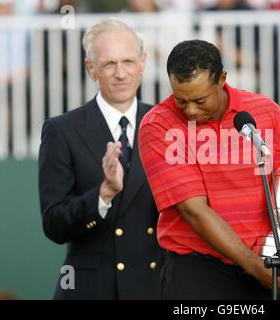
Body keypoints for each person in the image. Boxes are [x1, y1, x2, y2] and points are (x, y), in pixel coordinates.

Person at [138, 39, 280, 299]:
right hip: (199, 275)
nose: (191, 110)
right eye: (181, 100)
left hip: (267, 268)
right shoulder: (158, 124)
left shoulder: (265, 111)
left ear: (222, 79)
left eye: (200, 99)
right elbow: (194, 211)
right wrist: (255, 267)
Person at [38, 17, 164, 299]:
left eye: (128, 61)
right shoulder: (62, 130)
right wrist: (104, 194)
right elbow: (54, 225)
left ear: (143, 62)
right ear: (90, 68)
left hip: (154, 287)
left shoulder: (166, 125)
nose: (121, 73)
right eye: (109, 64)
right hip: (92, 291)